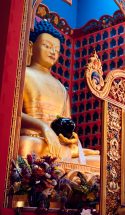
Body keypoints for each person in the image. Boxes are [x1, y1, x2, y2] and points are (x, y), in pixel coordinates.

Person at [19, 20, 99, 162]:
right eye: (47, 46)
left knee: (98, 160)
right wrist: (43, 127)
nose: (52, 52)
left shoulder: (61, 87)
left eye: (56, 49)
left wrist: (70, 137)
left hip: (58, 145)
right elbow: (13, 112)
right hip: (34, 140)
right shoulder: (23, 74)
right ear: (31, 47)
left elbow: (65, 122)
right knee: (25, 144)